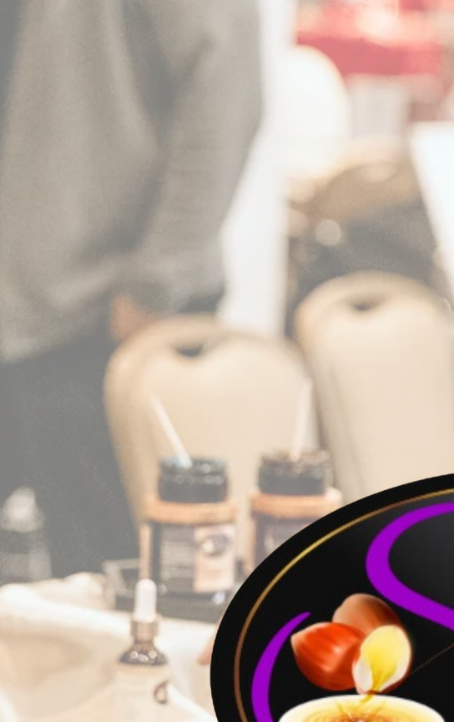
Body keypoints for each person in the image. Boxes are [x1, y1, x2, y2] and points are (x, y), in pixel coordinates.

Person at [0, 0, 263, 577]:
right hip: (23, 301)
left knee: (115, 596)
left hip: (100, 314)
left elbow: (224, 87)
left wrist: (155, 282)